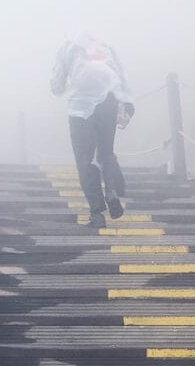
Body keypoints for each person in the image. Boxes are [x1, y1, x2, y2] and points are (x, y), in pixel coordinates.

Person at [50, 31, 134, 228]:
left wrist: (60, 87)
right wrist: (128, 109)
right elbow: (121, 76)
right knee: (106, 152)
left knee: (85, 159)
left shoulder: (67, 47)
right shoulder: (105, 46)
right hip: (109, 103)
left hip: (82, 107)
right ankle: (112, 191)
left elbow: (57, 84)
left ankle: (97, 213)